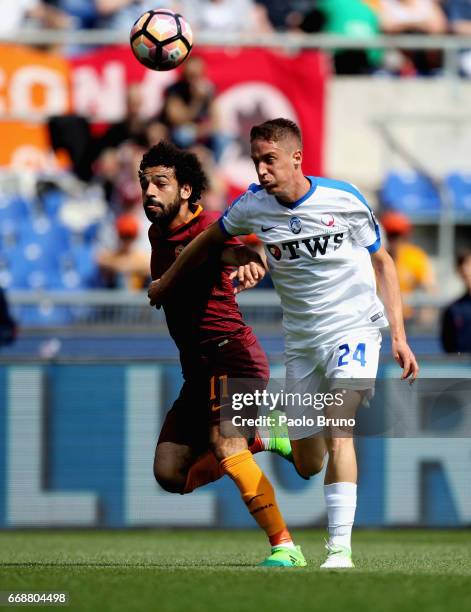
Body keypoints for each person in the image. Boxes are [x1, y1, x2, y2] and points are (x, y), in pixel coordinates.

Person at [148, 118, 419, 569]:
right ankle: (274, 433)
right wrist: (167, 282)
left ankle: (339, 552)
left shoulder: (344, 199)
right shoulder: (252, 206)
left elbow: (383, 263)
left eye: (269, 160)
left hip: (354, 328)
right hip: (303, 342)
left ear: (297, 158)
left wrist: (399, 336)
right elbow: (207, 243)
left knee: (339, 428)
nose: (262, 170)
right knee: (309, 461)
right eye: (256, 161)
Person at [140, 140, 306, 568]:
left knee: (225, 442)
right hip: (196, 370)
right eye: (145, 184)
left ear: (187, 191)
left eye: (161, 183)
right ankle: (265, 435)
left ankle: (284, 546)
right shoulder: (156, 231)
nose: (149, 193)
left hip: (233, 355)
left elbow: (241, 246)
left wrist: (250, 258)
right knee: (170, 473)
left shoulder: (210, 225)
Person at [381, 210, 436, 322]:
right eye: (390, 235)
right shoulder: (377, 258)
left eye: (397, 235)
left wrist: (426, 312)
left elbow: (430, 287)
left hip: (409, 318)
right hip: (383, 318)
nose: (394, 240)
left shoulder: (414, 257)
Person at [441, 250, 471, 353]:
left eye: (468, 264)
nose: (465, 269)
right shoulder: (453, 310)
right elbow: (449, 346)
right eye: (462, 264)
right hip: (461, 367)